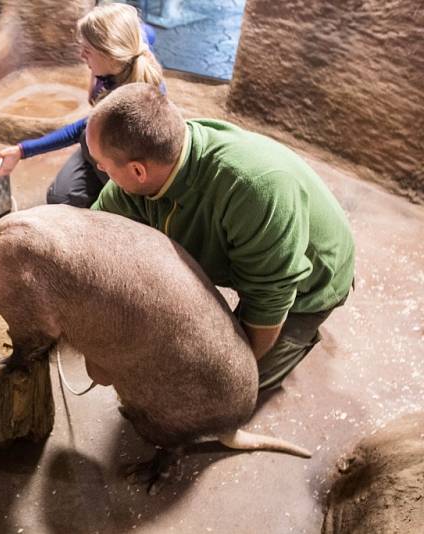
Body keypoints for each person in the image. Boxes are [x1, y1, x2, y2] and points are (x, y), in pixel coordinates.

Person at [85, 82, 355, 391]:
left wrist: (230, 373)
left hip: (309, 285)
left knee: (215, 391)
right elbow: (94, 234)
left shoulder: (253, 190)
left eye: (102, 165)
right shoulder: (160, 157)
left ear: (137, 172)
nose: (99, 169)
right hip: (256, 256)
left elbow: (270, 296)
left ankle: (299, 338)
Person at [0, 3, 166, 208]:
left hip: (123, 159)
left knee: (89, 140)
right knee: (60, 197)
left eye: (87, 51)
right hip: (99, 147)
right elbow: (148, 33)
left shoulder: (132, 102)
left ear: (109, 54)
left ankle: (121, 201)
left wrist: (24, 150)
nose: (81, 56)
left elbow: (82, 129)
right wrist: (96, 74)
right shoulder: (134, 46)